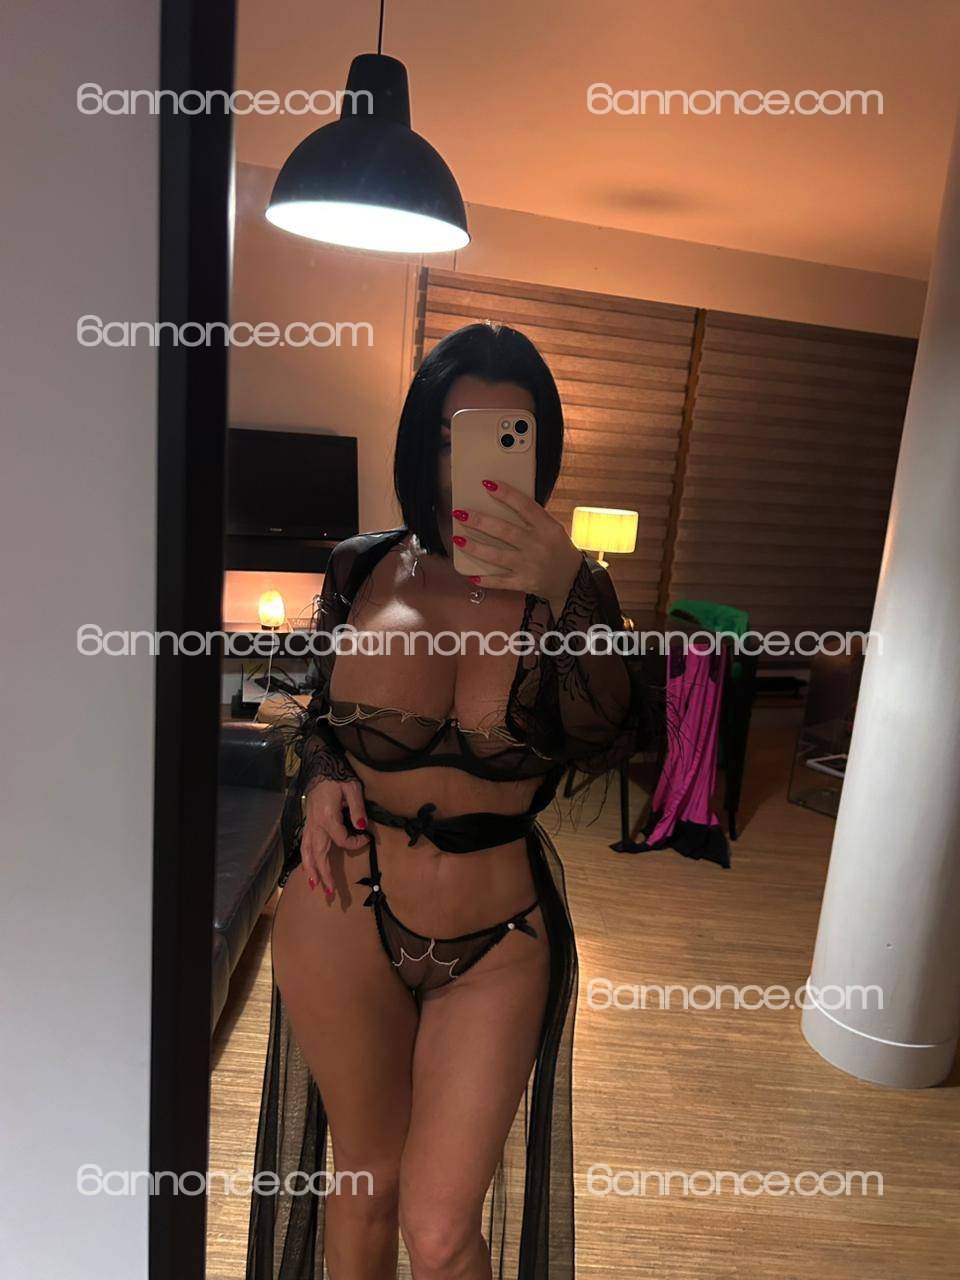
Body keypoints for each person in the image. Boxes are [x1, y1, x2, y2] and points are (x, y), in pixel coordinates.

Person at [246, 322, 654, 1280]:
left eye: (507, 437)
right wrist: (323, 775)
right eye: (447, 437)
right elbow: (317, 710)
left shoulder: (571, 598)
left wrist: (572, 589)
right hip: (344, 909)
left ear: (540, 451)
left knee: (438, 1231)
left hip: (496, 939)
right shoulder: (360, 566)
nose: (465, 466)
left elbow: (613, 736)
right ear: (418, 443)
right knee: (364, 1189)